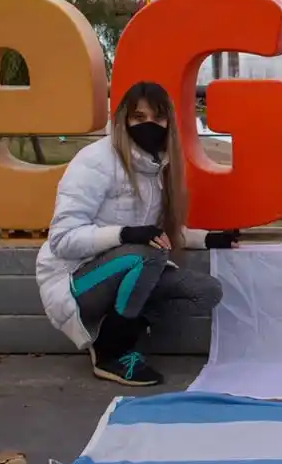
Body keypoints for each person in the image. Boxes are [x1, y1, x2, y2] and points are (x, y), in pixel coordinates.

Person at [35, 82, 239, 387]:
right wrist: (126, 233)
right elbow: (62, 240)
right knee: (149, 254)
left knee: (207, 291)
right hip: (75, 280)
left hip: (132, 266)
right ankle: (111, 351)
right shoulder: (95, 161)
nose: (149, 126)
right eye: (139, 117)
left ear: (169, 121)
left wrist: (209, 239)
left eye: (158, 118)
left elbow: (157, 234)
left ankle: (113, 330)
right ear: (122, 120)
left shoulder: (160, 165)